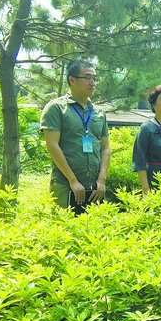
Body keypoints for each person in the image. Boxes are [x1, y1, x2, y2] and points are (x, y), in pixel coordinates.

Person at [41, 59, 111, 212]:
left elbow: (105, 148)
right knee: (63, 229)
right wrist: (72, 180)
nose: (92, 82)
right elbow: (52, 146)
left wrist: (101, 180)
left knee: (92, 232)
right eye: (87, 78)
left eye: (94, 78)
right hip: (65, 185)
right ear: (72, 80)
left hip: (94, 188)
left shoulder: (99, 112)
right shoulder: (56, 108)